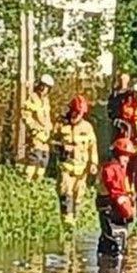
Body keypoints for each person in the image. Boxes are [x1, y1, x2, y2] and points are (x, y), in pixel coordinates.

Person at [55, 95, 99, 226]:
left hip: (81, 168)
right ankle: (66, 219)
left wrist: (94, 163)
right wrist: (62, 146)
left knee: (78, 194)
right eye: (74, 112)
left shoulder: (87, 128)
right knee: (65, 190)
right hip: (66, 166)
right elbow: (51, 141)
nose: (76, 115)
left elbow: (93, 147)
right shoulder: (61, 125)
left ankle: (74, 217)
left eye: (79, 113)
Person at [96, 137, 136, 257]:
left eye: (129, 156)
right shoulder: (112, 170)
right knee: (116, 246)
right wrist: (128, 212)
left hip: (111, 209)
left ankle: (104, 268)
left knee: (107, 242)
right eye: (125, 156)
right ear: (117, 154)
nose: (127, 159)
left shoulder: (116, 168)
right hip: (112, 210)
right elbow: (117, 193)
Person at [21, 74, 54, 182]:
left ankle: (38, 181)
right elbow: (26, 114)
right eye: (42, 86)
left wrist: (50, 129)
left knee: (44, 159)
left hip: (45, 135)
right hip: (36, 134)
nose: (44, 89)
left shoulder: (46, 100)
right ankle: (27, 180)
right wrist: (33, 129)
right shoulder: (32, 98)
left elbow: (47, 117)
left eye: (47, 87)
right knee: (35, 156)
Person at [108, 73, 134, 141]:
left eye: (125, 79)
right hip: (113, 120)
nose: (122, 81)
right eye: (121, 79)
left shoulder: (129, 94)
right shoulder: (114, 93)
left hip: (124, 120)